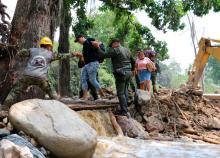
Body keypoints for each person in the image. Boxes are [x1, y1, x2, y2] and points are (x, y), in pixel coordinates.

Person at [9, 37, 74, 102]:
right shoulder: (51, 54)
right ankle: (59, 105)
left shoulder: (32, 50)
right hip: (41, 78)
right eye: (50, 46)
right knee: (51, 92)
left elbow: (20, 53)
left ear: (41, 45)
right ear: (49, 46)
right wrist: (73, 54)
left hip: (27, 76)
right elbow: (62, 56)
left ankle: (4, 107)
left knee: (14, 92)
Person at [92, 38, 135, 116]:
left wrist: (97, 47)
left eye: (111, 45)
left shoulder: (115, 50)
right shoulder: (127, 50)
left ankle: (124, 111)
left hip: (121, 73)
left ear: (115, 43)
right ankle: (126, 108)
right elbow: (133, 61)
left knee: (120, 93)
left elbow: (103, 55)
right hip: (128, 72)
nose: (111, 47)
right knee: (125, 90)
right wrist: (132, 70)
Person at [74, 34, 104, 100]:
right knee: (83, 78)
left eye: (78, 40)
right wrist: (80, 56)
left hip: (93, 63)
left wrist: (98, 44)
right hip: (87, 64)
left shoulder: (89, 40)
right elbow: (86, 57)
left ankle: (102, 95)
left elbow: (98, 44)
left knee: (92, 80)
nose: (79, 42)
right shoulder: (84, 47)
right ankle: (85, 96)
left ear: (82, 37)